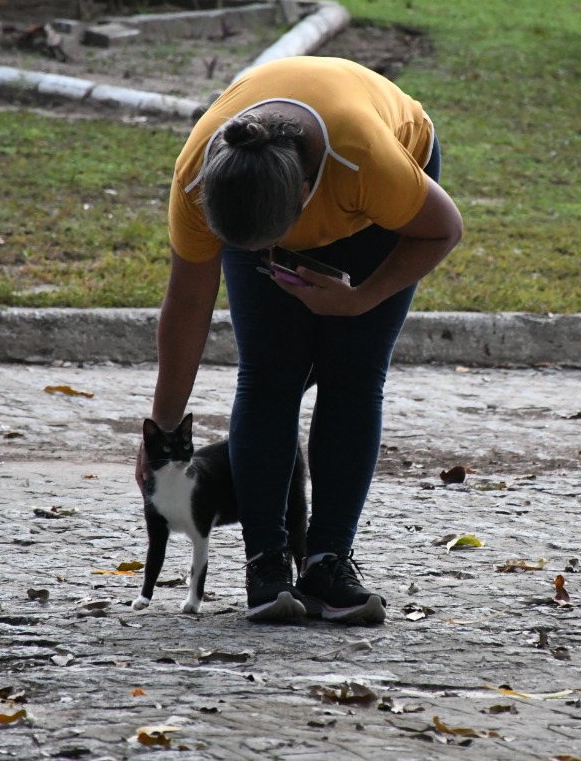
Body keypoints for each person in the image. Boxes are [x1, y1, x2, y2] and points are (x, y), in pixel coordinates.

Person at [151, 55, 463, 624]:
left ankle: (327, 562)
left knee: (354, 369)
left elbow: (443, 228)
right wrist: (164, 431)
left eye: (265, 244)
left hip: (376, 208)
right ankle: (266, 562)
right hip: (267, 194)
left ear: (302, 195)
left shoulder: (363, 159)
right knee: (270, 370)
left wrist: (361, 297)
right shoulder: (198, 178)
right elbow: (188, 304)